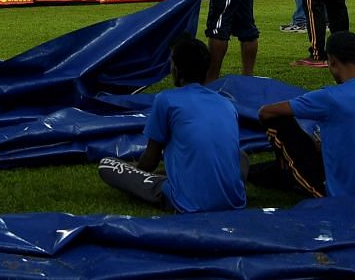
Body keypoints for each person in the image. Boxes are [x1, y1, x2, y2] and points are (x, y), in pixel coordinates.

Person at [98, 38, 247, 213]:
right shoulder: (226, 103)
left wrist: (136, 172)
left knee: (107, 165)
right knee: (241, 155)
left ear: (176, 68)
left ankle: (174, 183)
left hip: (187, 201)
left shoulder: (166, 100)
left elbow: (150, 160)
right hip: (233, 200)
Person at [258, 32, 355, 198]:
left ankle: (281, 171)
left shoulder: (328, 97)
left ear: (332, 62)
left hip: (339, 195)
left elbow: (266, 112)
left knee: (278, 122)